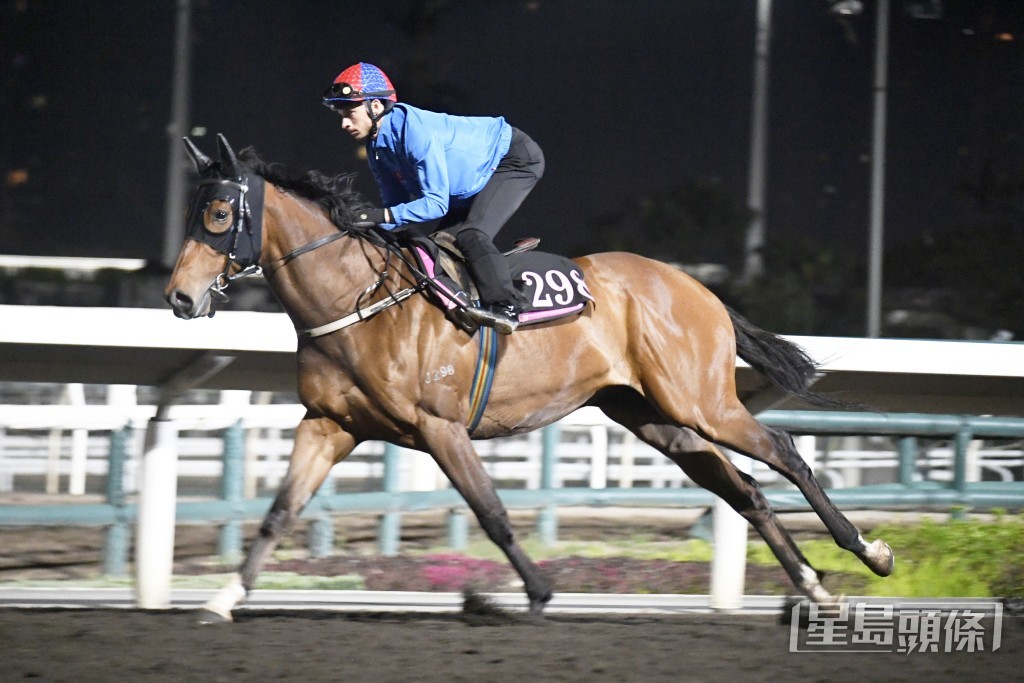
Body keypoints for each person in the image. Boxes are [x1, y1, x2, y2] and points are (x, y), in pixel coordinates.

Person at [322, 62, 545, 334]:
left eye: (351, 112)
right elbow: (396, 210)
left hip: (513, 159)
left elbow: (435, 204)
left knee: (471, 234)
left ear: (376, 107)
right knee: (437, 248)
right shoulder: (377, 148)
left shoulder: (416, 132)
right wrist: (364, 228)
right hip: (469, 184)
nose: (344, 123)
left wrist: (377, 216)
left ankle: (507, 307)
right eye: (341, 114)